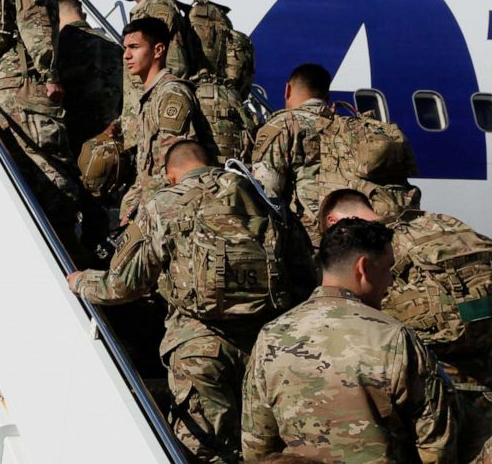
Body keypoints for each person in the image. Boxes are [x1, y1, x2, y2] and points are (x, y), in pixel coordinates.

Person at [70, 140, 300, 463]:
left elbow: (123, 284)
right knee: (263, 449)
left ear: (171, 174)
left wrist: (81, 281)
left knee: (203, 450)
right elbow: (302, 271)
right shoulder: (261, 197)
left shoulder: (164, 203)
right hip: (263, 346)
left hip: (197, 350)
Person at [242, 217, 457, 463]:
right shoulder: (395, 338)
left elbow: (257, 448)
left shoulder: (271, 336)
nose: (390, 281)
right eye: (388, 268)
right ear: (363, 268)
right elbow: (437, 447)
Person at [319, 189, 492, 464]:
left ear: (332, 221)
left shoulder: (379, 252)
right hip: (481, 379)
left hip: (431, 394)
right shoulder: (442, 225)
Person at [0, 0, 83, 261]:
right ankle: (60, 256)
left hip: (2, 82)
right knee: (54, 173)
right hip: (25, 83)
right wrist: (50, 74)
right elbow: (34, 22)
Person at [115, 16, 203, 225]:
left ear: (158, 51)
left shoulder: (171, 94)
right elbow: (147, 168)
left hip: (167, 213)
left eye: (134, 47)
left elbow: (177, 167)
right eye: (125, 48)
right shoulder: (151, 96)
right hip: (150, 208)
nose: (126, 55)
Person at [119, 0, 198, 155]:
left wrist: (153, 118)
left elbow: (174, 66)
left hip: (155, 131)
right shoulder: (146, 10)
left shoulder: (158, 9)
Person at [249, 63, 333, 238]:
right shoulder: (342, 126)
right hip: (342, 234)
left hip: (305, 237)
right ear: (328, 97)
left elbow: (266, 190)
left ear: (287, 90)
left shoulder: (283, 125)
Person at [56, 0, 123, 156]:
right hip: (110, 138)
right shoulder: (114, 46)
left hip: (74, 141)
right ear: (83, 16)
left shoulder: (59, 47)